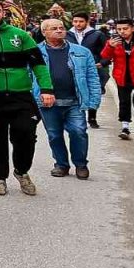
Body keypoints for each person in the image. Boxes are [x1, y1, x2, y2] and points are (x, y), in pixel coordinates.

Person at [0, 0, 53, 198]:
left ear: (4, 13)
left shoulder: (21, 36)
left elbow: (38, 65)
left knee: (26, 135)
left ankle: (22, 172)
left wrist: (47, 89)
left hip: (21, 96)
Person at [36, 19, 101, 180]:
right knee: (54, 135)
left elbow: (92, 76)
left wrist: (94, 100)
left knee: (78, 132)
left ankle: (81, 164)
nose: (59, 30)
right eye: (54, 28)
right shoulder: (35, 52)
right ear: (44, 32)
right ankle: (61, 164)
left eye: (61, 28)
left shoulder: (81, 52)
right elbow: (29, 76)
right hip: (48, 102)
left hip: (74, 101)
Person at [66, 12, 109, 129]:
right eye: (75, 21)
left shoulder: (97, 34)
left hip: (93, 67)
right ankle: (77, 116)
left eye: (81, 22)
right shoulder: (67, 35)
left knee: (93, 91)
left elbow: (106, 51)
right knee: (76, 91)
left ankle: (92, 116)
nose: (78, 24)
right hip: (73, 68)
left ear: (87, 22)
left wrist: (102, 62)